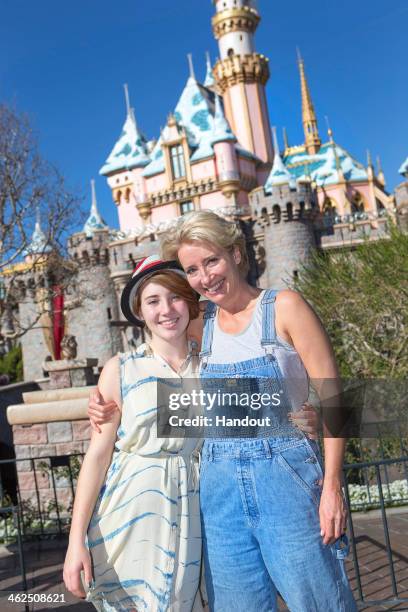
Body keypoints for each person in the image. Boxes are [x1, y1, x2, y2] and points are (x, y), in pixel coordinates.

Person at [89, 212, 354, 612]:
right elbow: (158, 349)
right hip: (218, 491)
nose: (205, 277)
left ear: (235, 253)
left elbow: (335, 399)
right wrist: (102, 401)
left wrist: (332, 487)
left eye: (211, 261)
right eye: (192, 270)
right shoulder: (199, 325)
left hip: (286, 479)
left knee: (318, 603)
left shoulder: (285, 307)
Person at [63, 255, 205, 612]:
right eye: (153, 301)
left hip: (191, 515)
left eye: (175, 297)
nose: (167, 309)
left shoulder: (210, 365)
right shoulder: (121, 369)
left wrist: (307, 419)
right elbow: (97, 457)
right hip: (126, 518)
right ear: (140, 311)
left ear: (189, 303)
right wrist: (75, 540)